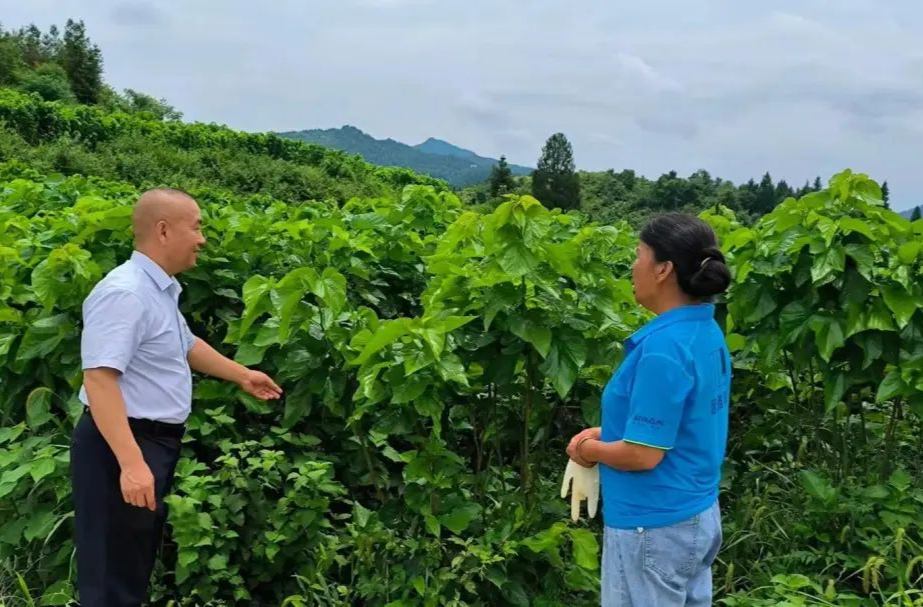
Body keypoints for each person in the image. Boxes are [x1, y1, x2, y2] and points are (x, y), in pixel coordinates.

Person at [70, 188, 283, 607]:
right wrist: (131, 465)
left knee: (131, 566)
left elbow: (183, 343)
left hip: (147, 444)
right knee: (111, 578)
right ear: (164, 231)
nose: (203, 238)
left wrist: (243, 376)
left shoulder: (159, 290)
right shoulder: (125, 293)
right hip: (121, 445)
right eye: (197, 227)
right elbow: (99, 380)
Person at [566, 213, 732, 607]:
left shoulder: (664, 349)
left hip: (651, 526)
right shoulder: (703, 332)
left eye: (639, 255)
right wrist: (604, 435)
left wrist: (588, 452)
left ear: (663, 269)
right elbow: (679, 424)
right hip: (696, 514)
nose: (632, 265)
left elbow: (642, 455)